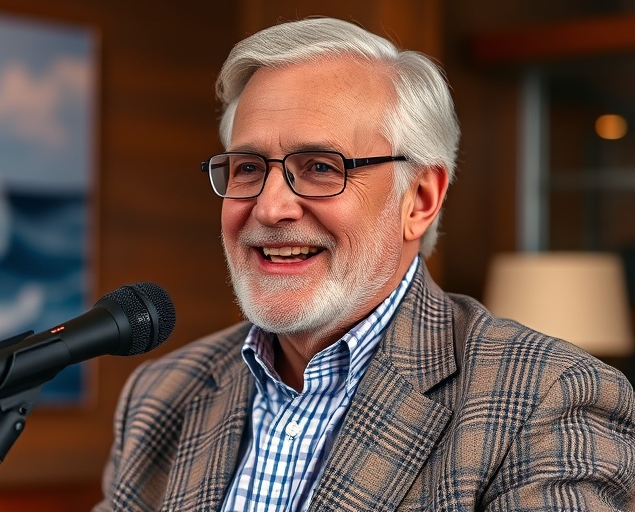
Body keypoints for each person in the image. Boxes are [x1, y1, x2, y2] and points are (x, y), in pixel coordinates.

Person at [94, 16, 635, 511]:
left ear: (419, 200)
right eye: (248, 168)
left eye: (322, 167)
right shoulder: (162, 394)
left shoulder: (546, 398)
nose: (270, 206)